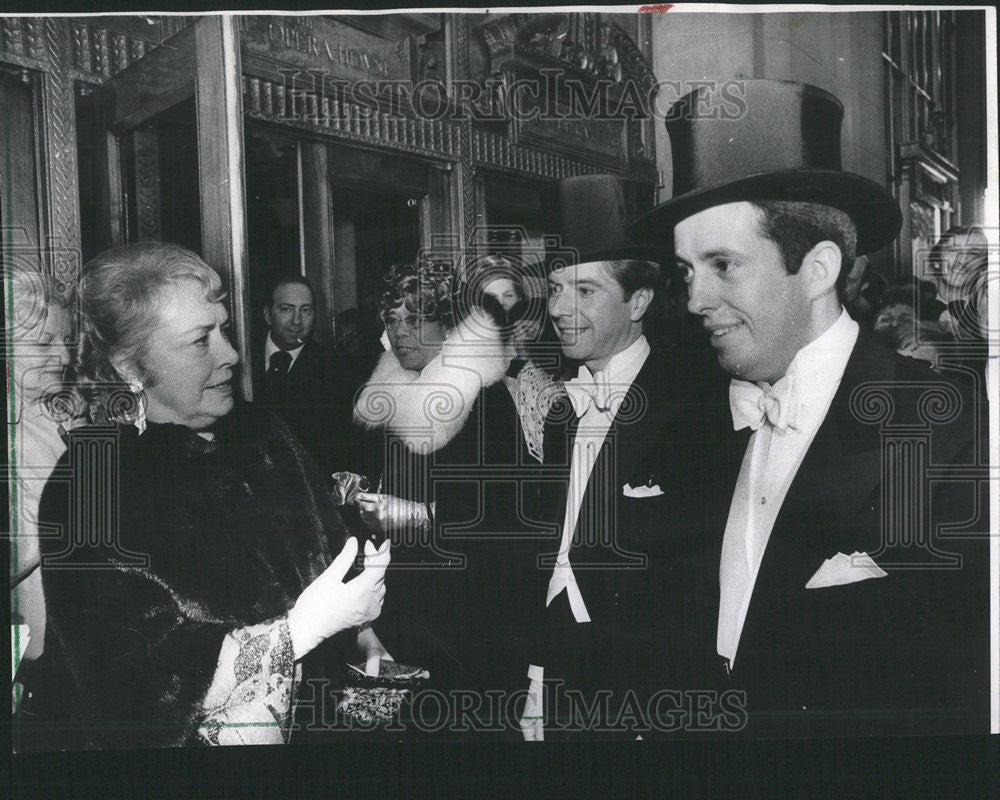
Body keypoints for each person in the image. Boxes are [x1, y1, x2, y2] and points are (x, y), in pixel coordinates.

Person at [633, 79, 989, 736]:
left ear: (820, 269)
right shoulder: (694, 424)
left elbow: (961, 695)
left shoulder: (952, 426)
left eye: (723, 265)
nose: (694, 301)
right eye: (687, 272)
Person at [31, 242, 389, 750]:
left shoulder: (263, 431)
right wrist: (301, 630)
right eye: (201, 341)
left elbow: (329, 563)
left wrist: (365, 636)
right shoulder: (89, 483)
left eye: (224, 328)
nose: (232, 354)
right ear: (127, 364)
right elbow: (128, 691)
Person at [519, 175, 729, 740]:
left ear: (638, 301)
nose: (560, 309)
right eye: (556, 288)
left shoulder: (696, 403)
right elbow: (556, 545)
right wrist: (537, 673)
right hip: (561, 661)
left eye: (584, 291)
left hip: (648, 681)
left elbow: (708, 574)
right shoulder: (564, 410)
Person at [347, 256, 559, 721]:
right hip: (401, 606)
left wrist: (415, 517)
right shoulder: (392, 388)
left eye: (415, 318)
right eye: (392, 319)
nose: (400, 331)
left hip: (470, 613)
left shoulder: (482, 396)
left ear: (446, 325)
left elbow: (509, 519)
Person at [9, 268, 74, 670]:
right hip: (32, 656)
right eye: (45, 342)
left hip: (70, 644)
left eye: (66, 341)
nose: (64, 357)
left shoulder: (56, 415)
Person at [254, 275, 338, 472]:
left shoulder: (334, 370)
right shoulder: (240, 357)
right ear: (267, 315)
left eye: (305, 310)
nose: (297, 321)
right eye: (287, 309)